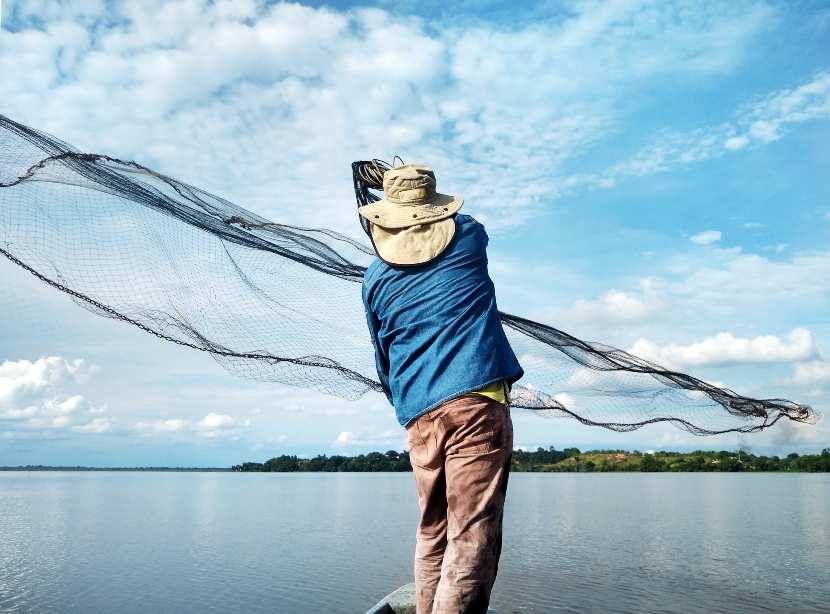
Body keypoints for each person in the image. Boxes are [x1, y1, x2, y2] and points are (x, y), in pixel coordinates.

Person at [360, 164, 524, 614]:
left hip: (418, 414)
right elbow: (455, 220)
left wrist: (397, 196)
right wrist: (406, 185)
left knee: (433, 530)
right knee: (470, 537)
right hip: (476, 402)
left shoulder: (373, 279)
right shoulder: (468, 237)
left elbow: (382, 359)